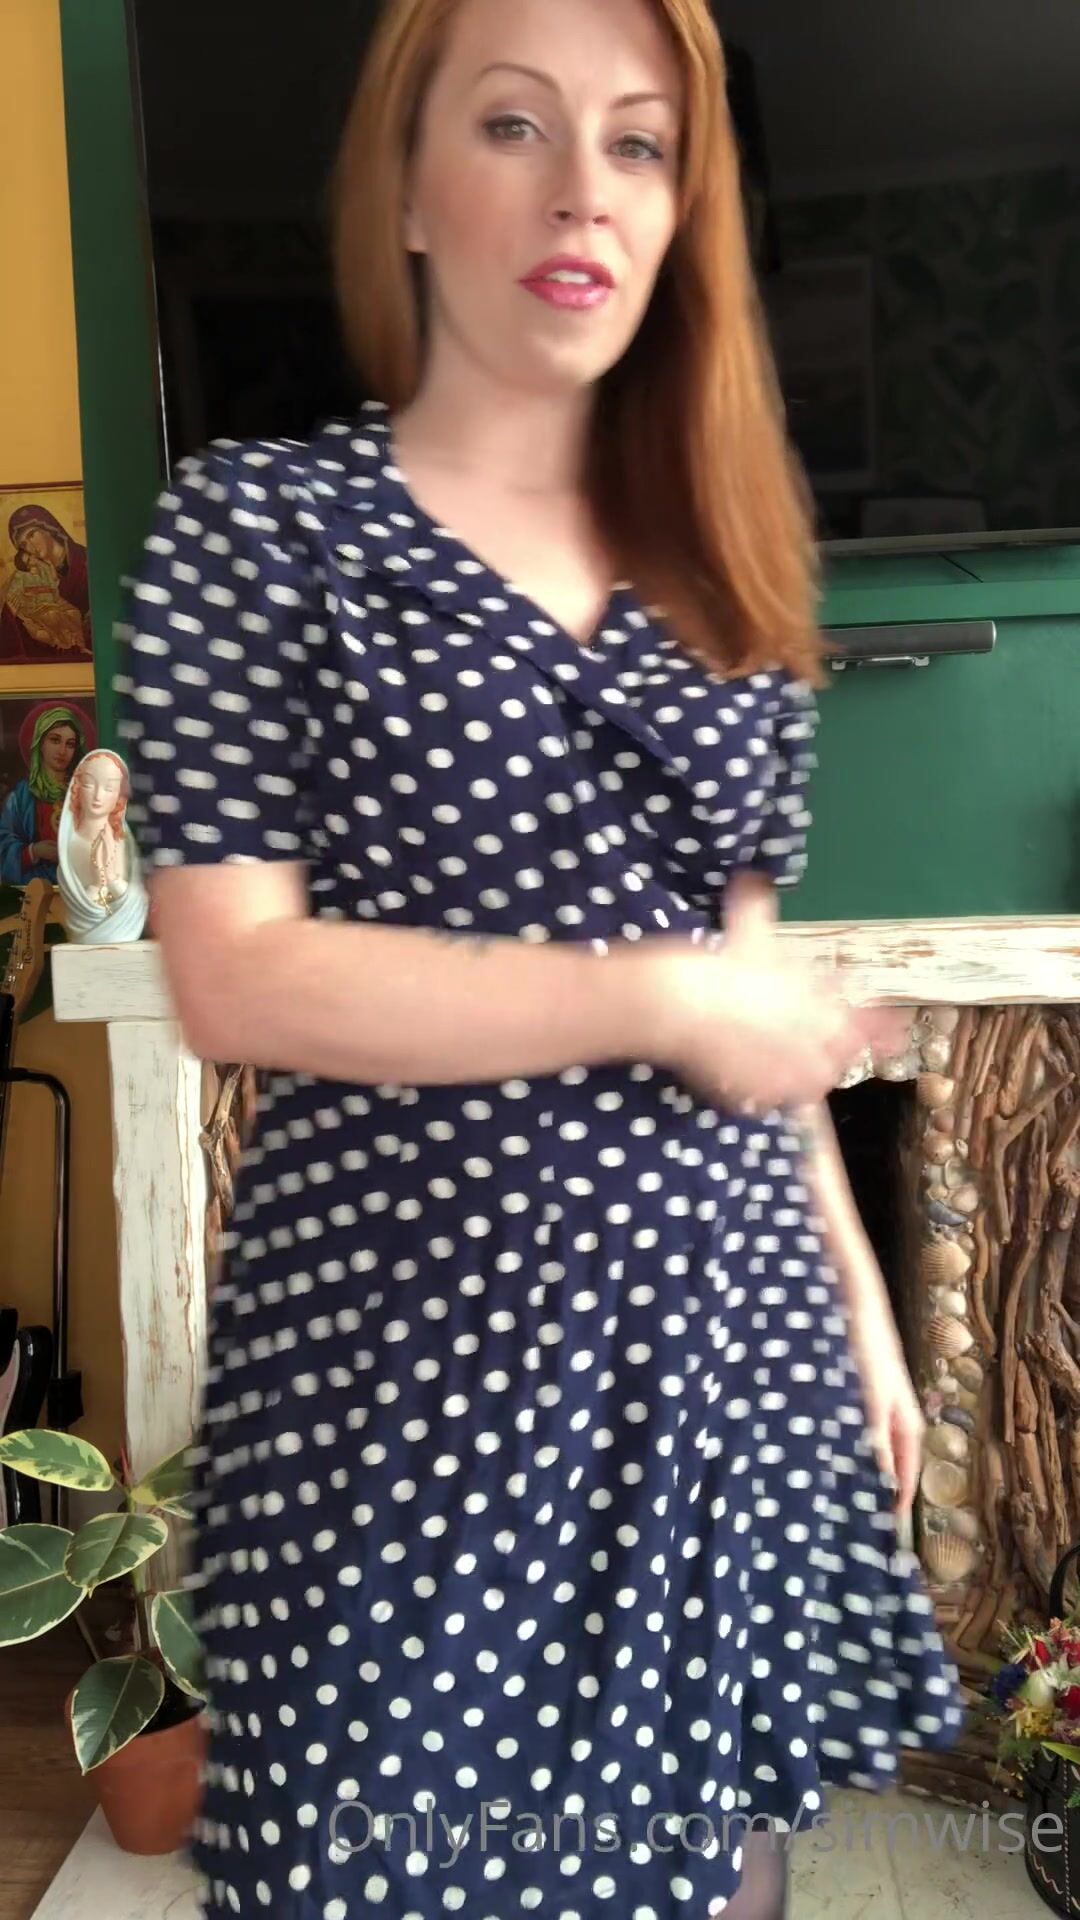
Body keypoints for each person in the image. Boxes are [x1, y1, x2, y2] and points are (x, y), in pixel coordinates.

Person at [116, 1, 962, 1914]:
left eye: (639, 142)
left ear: (680, 211)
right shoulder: (262, 534)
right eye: (515, 124)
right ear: (407, 187)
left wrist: (853, 1295)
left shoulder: (727, 567)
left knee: (709, 1868)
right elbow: (238, 974)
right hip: (407, 1381)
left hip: (714, 1353)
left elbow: (750, 984)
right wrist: (650, 1000)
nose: (585, 188)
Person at [57, 749, 148, 944]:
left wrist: (112, 878)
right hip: (83, 941)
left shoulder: (124, 843)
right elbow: (80, 911)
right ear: (76, 788)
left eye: (109, 788)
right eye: (89, 784)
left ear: (120, 795)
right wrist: (98, 885)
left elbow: (136, 901)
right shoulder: (69, 847)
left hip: (124, 937)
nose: (98, 795)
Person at [0, 702, 93, 886]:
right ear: (40, 743)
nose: (62, 751)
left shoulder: (86, 793)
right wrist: (34, 851)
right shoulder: (20, 797)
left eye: (70, 744)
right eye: (55, 740)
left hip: (80, 889)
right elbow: (3, 843)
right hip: (33, 890)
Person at [0, 505, 93, 664]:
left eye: (31, 534)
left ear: (48, 527)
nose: (30, 546)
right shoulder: (29, 574)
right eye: (23, 545)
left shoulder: (86, 562)